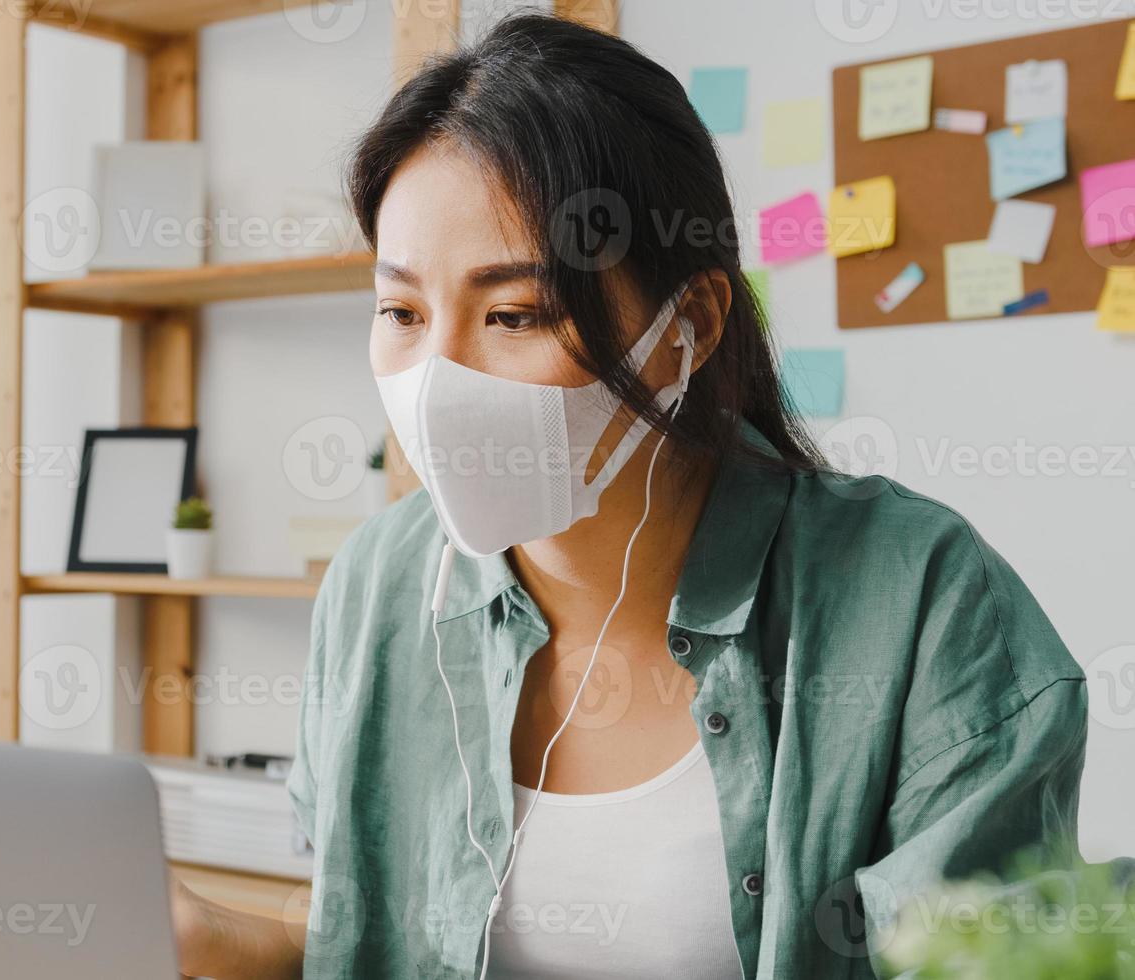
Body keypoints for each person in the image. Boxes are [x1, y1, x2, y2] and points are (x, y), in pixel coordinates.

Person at [173, 13, 1087, 979]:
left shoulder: (923, 603)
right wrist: (216, 946)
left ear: (687, 325)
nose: (436, 378)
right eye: (400, 311)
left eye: (513, 313)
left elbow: (994, 960)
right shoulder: (380, 585)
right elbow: (369, 944)